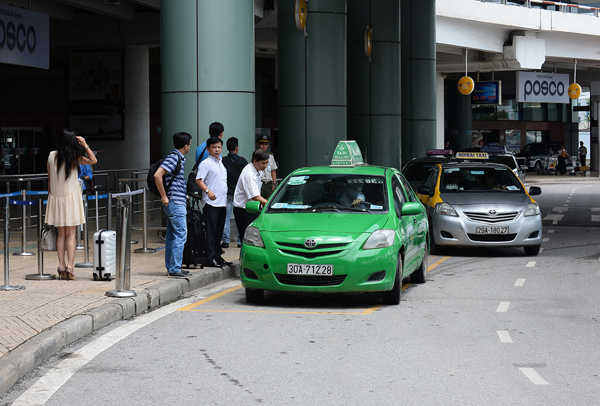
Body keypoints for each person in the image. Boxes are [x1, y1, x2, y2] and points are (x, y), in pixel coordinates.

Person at [45, 128, 97, 280]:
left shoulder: (51, 156)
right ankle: (70, 267)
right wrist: (85, 145)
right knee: (71, 235)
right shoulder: (74, 157)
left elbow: (50, 182)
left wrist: (52, 198)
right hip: (71, 199)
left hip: (56, 198)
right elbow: (93, 160)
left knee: (61, 234)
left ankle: (61, 266)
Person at [154, 132, 193, 278]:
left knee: (171, 236)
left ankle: (171, 267)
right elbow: (157, 175)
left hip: (175, 201)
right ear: (185, 146)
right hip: (175, 202)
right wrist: (164, 196)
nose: (190, 146)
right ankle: (175, 268)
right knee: (181, 234)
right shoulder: (174, 158)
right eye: (190, 144)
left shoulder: (177, 158)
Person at [195, 137, 232, 268]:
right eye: (214, 147)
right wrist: (208, 191)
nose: (217, 149)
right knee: (211, 232)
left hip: (222, 202)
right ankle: (210, 259)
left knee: (218, 232)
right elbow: (198, 180)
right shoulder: (205, 163)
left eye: (219, 147)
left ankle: (217, 256)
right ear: (208, 149)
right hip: (211, 204)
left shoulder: (221, 162)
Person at [233, 149, 269, 243]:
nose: (265, 165)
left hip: (251, 208)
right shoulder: (249, 174)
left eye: (267, 163)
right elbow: (254, 196)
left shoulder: (257, 169)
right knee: (248, 240)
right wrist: (268, 203)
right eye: (263, 163)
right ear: (255, 161)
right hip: (244, 210)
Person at [221, 137, 248, 248]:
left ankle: (226, 241)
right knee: (240, 217)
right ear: (237, 148)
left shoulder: (222, 160)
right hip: (240, 194)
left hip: (228, 192)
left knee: (226, 216)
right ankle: (240, 241)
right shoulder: (242, 161)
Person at [256, 134, 278, 199]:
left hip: (269, 184)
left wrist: (274, 183)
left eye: (266, 144)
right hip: (260, 183)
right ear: (258, 144)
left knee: (270, 201)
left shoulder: (270, 156)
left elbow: (273, 170)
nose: (264, 146)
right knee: (259, 202)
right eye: (262, 144)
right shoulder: (256, 156)